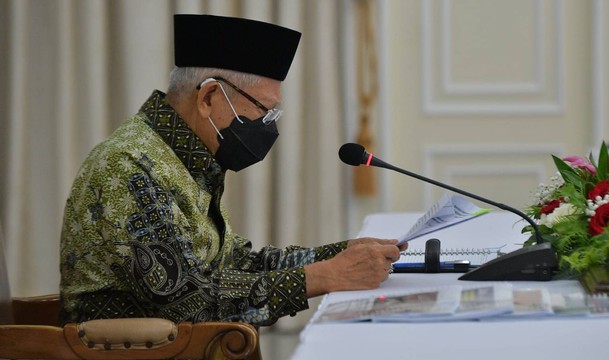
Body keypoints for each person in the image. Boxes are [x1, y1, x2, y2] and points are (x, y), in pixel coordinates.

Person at [59, 14, 404, 327]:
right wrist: (326, 276)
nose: (267, 126)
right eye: (263, 110)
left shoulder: (186, 158)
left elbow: (235, 265)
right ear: (209, 97)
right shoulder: (130, 165)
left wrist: (344, 254)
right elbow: (187, 304)